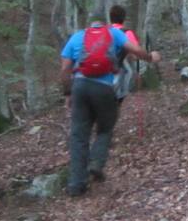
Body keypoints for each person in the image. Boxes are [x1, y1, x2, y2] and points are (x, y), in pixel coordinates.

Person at [60, 13, 161, 196]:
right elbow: (136, 50)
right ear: (104, 23)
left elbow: (65, 68)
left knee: (78, 135)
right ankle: (96, 163)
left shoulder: (77, 36)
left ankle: (76, 184)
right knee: (105, 128)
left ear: (89, 24)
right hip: (104, 88)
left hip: (80, 87)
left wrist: (68, 93)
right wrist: (150, 57)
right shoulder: (113, 34)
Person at [108, 4, 140, 102]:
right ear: (124, 18)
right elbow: (135, 54)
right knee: (127, 72)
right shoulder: (127, 32)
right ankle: (122, 93)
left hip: (97, 72)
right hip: (116, 71)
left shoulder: (104, 30)